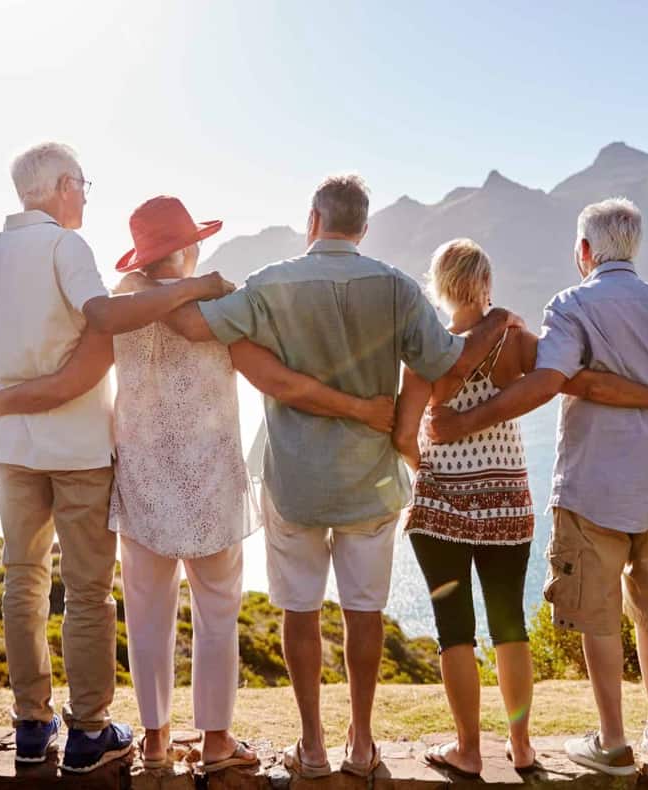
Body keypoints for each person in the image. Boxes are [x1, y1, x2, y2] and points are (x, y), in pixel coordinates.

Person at [0, 195, 394, 773]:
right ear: (192, 245)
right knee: (218, 614)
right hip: (211, 485)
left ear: (144, 252)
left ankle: (154, 741)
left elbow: (85, 372)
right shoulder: (220, 304)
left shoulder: (119, 303)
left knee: (147, 615)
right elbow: (268, 372)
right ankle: (217, 742)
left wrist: (1, 398)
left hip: (143, 481)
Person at [150, 174, 522, 778]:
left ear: (313, 220)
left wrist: (179, 283)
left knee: (300, 612)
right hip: (371, 480)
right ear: (364, 227)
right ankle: (362, 743)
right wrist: (496, 322)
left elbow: (194, 327)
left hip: (294, 481)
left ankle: (313, 745)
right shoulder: (399, 287)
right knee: (364, 613)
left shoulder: (270, 283)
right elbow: (444, 361)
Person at [0, 143, 234, 773]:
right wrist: (197, 285)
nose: (85, 194)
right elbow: (105, 317)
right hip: (79, 447)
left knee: (21, 579)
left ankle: (31, 725)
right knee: (86, 591)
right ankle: (88, 731)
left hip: (10, 450)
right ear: (60, 185)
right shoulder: (65, 247)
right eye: (82, 183)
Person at [427, 199, 648, 778]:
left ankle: (611, 740)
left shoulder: (571, 304)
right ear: (633, 246)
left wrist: (460, 424)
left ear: (584, 251)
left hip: (593, 489)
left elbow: (551, 383)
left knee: (599, 615)